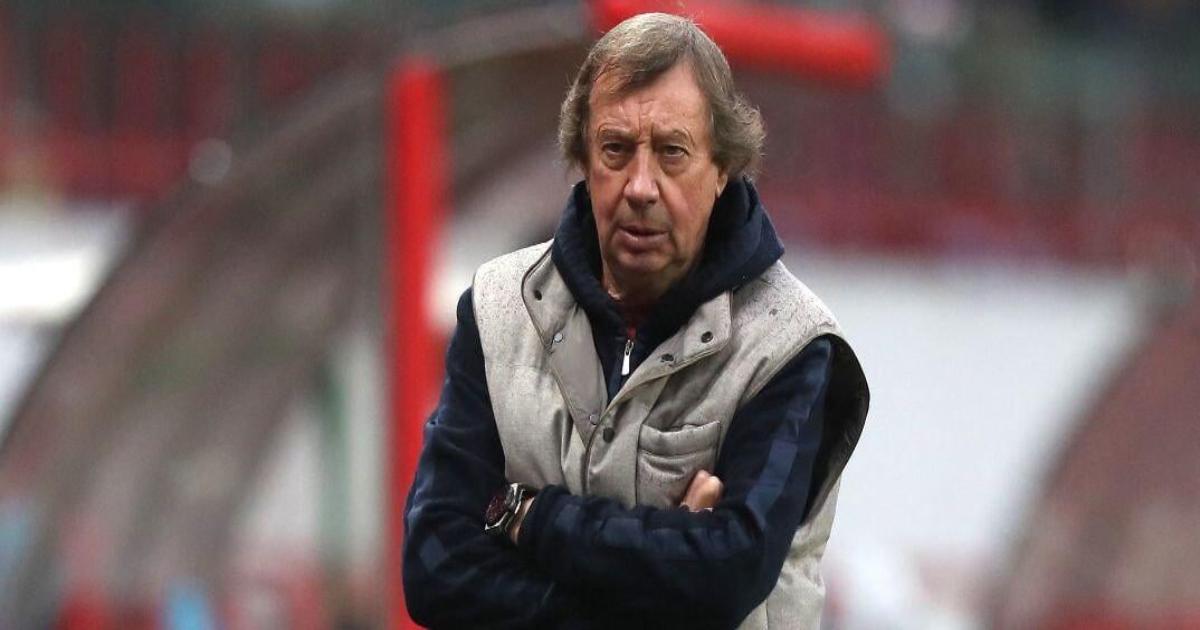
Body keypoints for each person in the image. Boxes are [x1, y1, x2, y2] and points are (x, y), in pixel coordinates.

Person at [402, 12, 869, 629]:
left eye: (672, 152)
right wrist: (665, 569)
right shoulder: (496, 308)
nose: (641, 186)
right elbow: (433, 566)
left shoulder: (789, 344)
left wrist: (527, 516)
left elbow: (727, 575)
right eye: (616, 150)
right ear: (583, 158)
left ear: (722, 167)